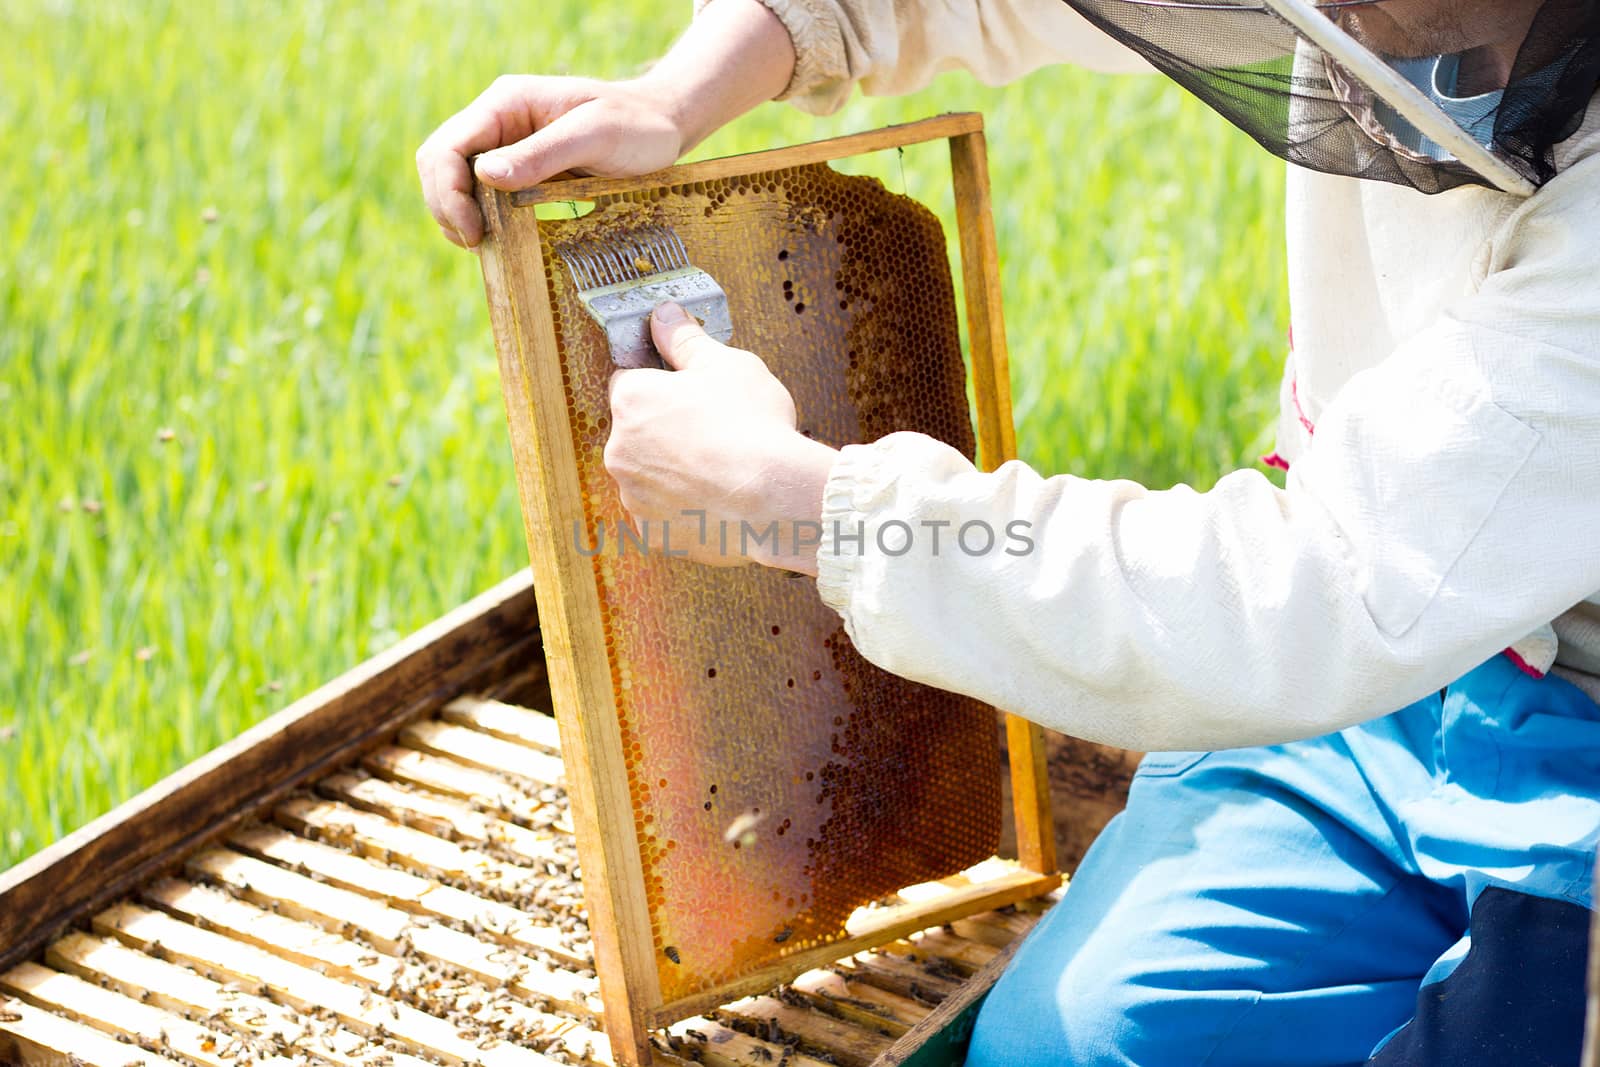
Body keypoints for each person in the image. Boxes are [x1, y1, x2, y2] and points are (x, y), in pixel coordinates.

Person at [418, 1, 1600, 1062]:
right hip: (1366, 703)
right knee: (1070, 1048)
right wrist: (673, 91)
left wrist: (808, 505)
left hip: (1563, 737)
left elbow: (1316, 588)